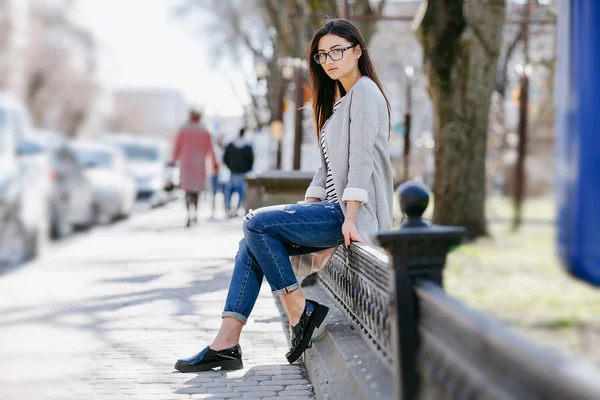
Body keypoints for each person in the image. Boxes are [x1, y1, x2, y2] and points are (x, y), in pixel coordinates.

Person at [174, 18, 393, 372]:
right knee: (250, 240)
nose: (330, 59)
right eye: (322, 55)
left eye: (338, 50)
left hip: (352, 213)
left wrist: (351, 217)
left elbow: (362, 160)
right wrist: (305, 208)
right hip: (331, 210)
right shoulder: (340, 101)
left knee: (255, 223)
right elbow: (326, 169)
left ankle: (298, 310)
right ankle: (227, 341)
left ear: (357, 51)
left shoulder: (365, 92)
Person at [171, 109, 219, 227]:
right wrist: (214, 163)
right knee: (196, 191)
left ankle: (188, 214)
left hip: (186, 164)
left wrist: (173, 160)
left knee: (187, 191)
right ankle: (195, 214)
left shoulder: (183, 129)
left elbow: (177, 147)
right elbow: (210, 149)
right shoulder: (204, 130)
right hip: (199, 164)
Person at [223, 127, 254, 217]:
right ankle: (237, 209)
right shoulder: (247, 146)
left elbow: (225, 158)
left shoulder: (231, 145)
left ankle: (228, 209)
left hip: (232, 172)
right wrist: (248, 169)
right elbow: (251, 160)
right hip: (243, 173)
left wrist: (230, 167)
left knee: (229, 192)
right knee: (241, 193)